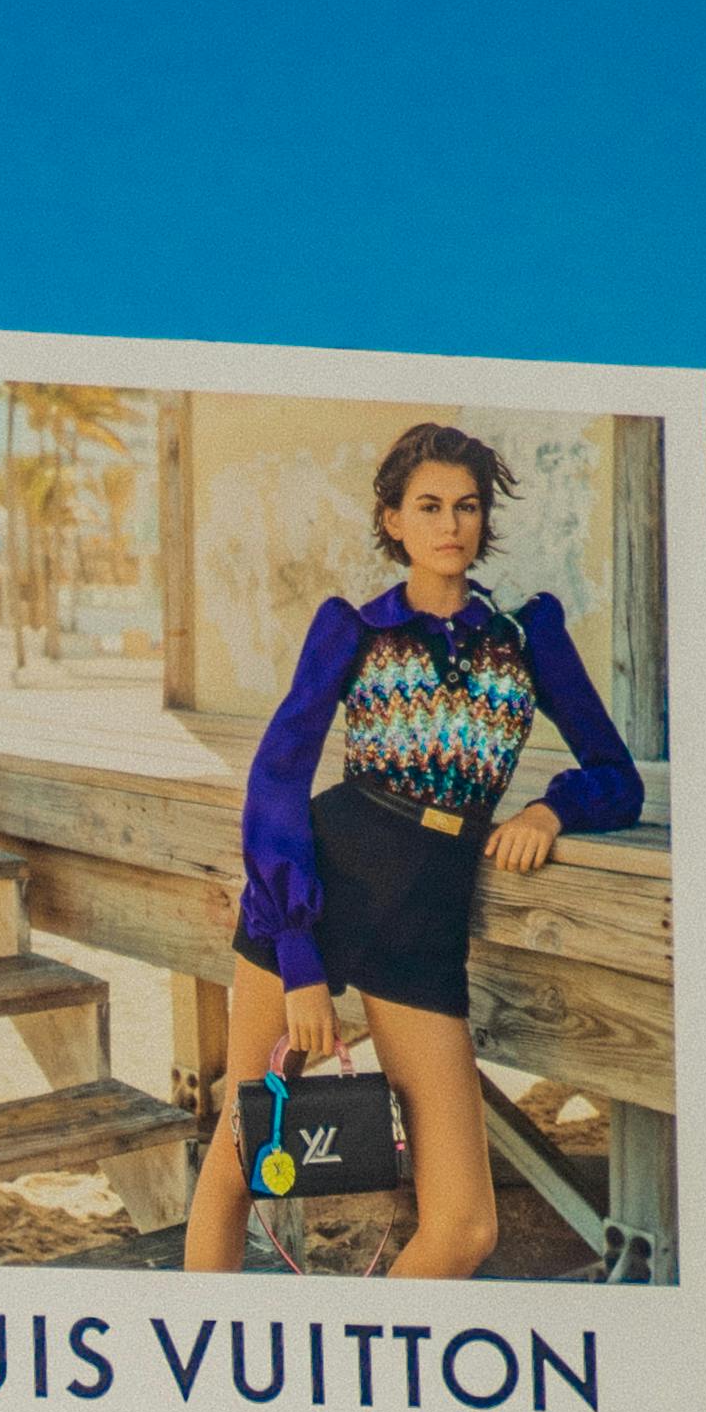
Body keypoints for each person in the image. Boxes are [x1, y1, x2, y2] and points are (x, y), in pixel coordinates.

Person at [183, 421, 644, 1282]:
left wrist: (550, 811)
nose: (450, 525)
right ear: (392, 520)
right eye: (428, 506)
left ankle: (365, 1361)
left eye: (466, 507)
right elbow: (276, 781)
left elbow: (617, 774)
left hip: (429, 913)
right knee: (240, 1157)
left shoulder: (524, 633)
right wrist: (298, 958)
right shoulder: (351, 630)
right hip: (330, 878)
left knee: (464, 1226)